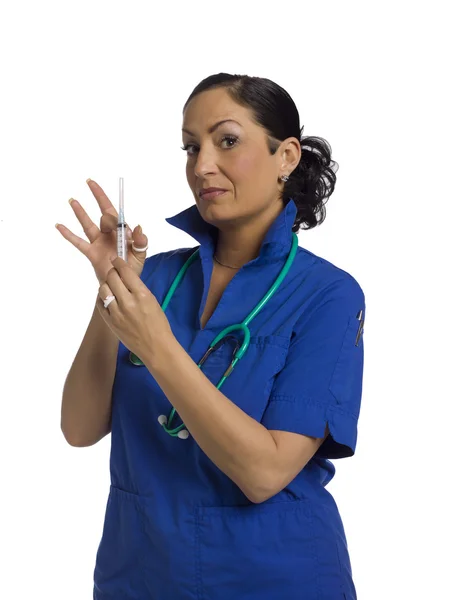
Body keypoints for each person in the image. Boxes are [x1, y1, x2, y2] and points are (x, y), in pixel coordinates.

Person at [58, 73, 366, 600]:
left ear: (286, 157)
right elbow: (80, 428)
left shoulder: (328, 296)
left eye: (227, 141)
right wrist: (112, 287)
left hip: (271, 578)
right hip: (140, 576)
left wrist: (159, 348)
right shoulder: (154, 279)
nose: (201, 166)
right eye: (190, 147)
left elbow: (265, 472)